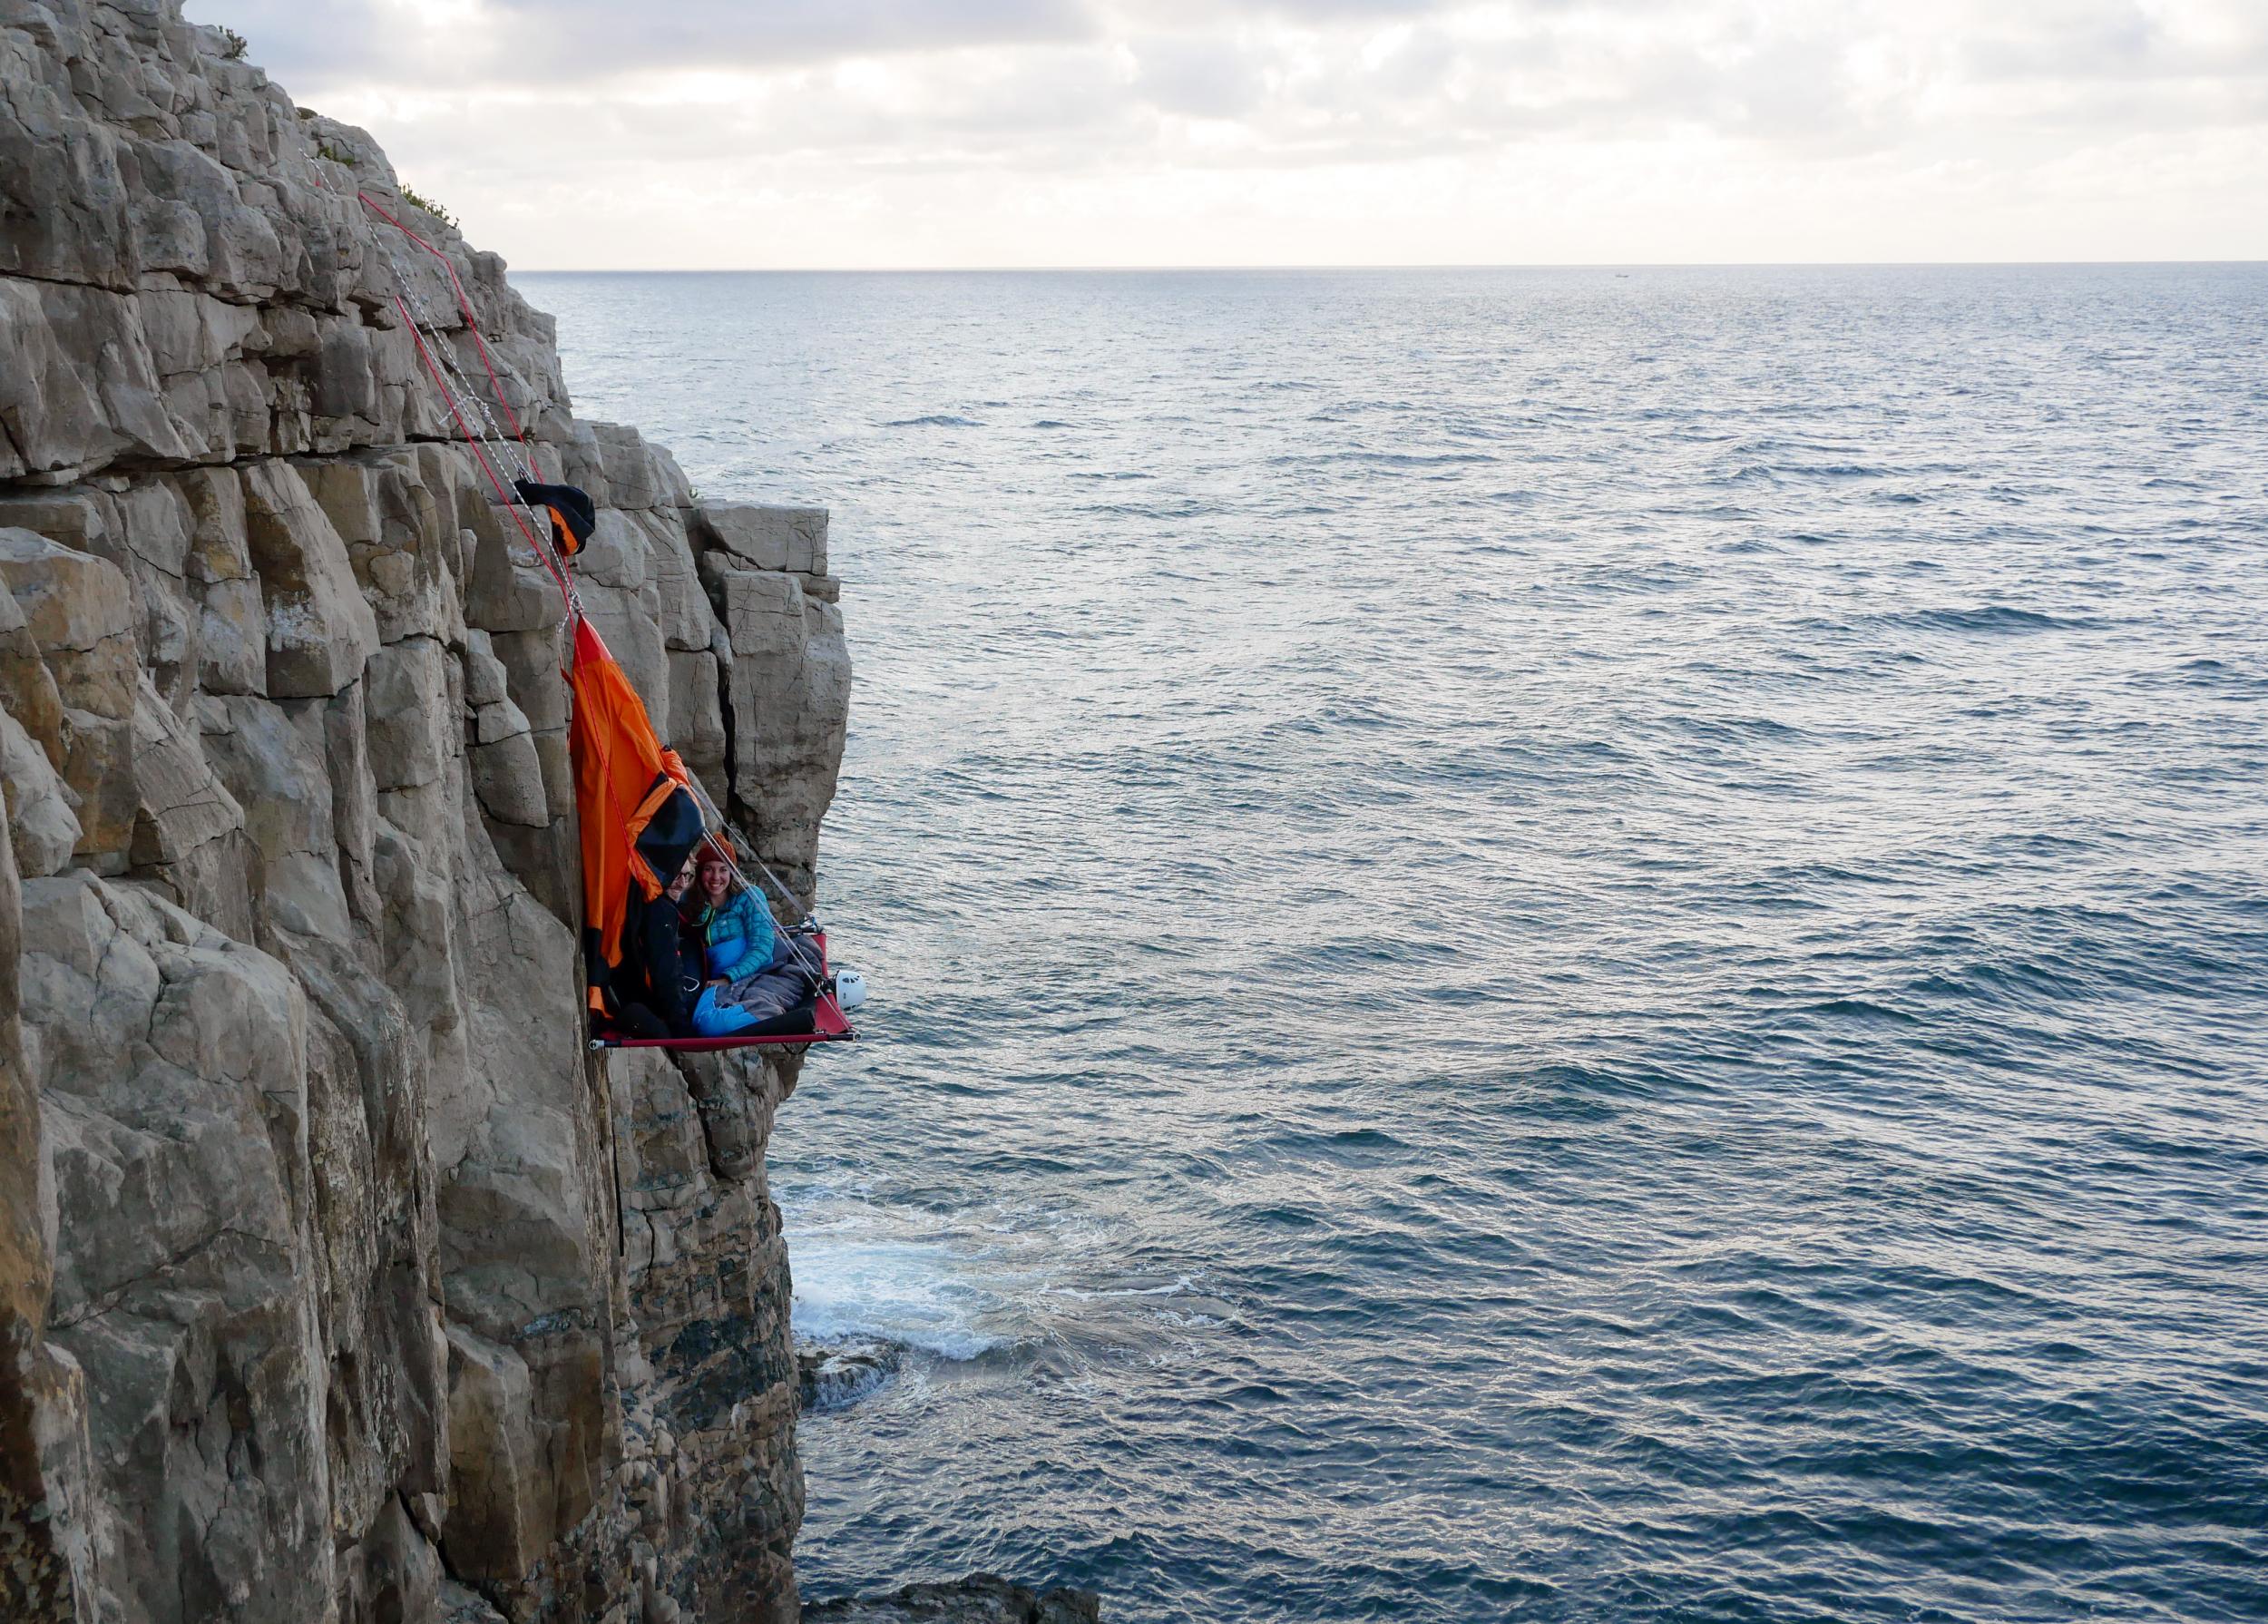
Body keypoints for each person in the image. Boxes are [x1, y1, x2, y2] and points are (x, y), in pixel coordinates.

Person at [681, 843, 818, 1037]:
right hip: (717, 979)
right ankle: (760, 1017)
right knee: (704, 1022)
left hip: (759, 971)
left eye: (723, 870)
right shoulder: (691, 904)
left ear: (732, 872)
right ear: (699, 871)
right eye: (708, 869)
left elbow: (762, 948)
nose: (716, 877)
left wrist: (728, 978)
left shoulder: (749, 897)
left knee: (711, 1024)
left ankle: (772, 1017)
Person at [608, 854, 701, 1038]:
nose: (682, 883)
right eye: (676, 875)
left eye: (687, 876)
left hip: (623, 998)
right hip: (633, 1005)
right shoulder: (660, 910)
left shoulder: (644, 899)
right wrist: (681, 1026)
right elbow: (665, 971)